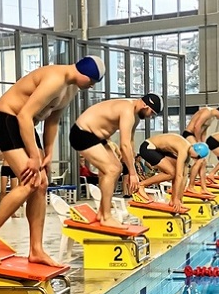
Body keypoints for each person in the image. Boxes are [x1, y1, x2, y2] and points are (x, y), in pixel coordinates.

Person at [0, 56, 104, 265]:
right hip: (7, 120)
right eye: (91, 82)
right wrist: (34, 156)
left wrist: (48, 153)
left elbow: (52, 121)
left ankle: (36, 249)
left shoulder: (71, 88)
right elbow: (24, 116)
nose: (91, 87)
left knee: (42, 184)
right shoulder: (55, 79)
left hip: (24, 126)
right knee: (30, 182)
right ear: (83, 74)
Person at [69, 93, 161, 227]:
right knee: (112, 170)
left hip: (97, 138)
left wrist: (131, 169)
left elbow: (130, 142)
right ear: (145, 105)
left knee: (116, 168)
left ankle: (102, 212)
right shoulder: (127, 110)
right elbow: (124, 145)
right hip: (82, 133)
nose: (150, 116)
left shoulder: (134, 117)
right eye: (151, 113)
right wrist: (133, 174)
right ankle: (106, 217)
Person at [136, 135, 209, 210]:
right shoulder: (183, 150)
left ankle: (173, 200)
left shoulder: (188, 153)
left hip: (158, 150)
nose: (196, 159)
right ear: (196, 150)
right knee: (172, 173)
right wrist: (177, 199)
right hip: (148, 147)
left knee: (180, 173)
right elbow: (178, 176)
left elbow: (183, 178)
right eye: (198, 157)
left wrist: (179, 200)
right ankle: (141, 185)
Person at [182, 104, 219, 193]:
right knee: (200, 160)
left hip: (195, 136)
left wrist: (203, 143)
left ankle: (203, 188)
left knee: (203, 162)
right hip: (189, 134)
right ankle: (190, 186)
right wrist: (198, 141)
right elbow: (197, 126)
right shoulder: (207, 111)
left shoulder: (211, 117)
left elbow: (203, 131)